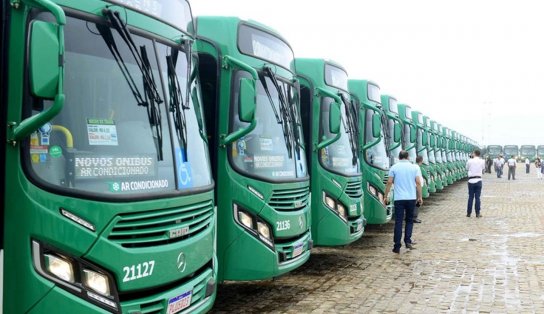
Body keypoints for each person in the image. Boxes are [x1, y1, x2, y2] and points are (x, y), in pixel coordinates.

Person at [384, 150, 423, 254]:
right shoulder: (414, 167)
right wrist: (420, 197)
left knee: (398, 222)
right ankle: (407, 241)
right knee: (409, 220)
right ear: (408, 157)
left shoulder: (394, 167)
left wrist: (386, 196)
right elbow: (418, 183)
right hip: (411, 198)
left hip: (399, 199)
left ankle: (397, 246)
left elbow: (389, 182)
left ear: (399, 157)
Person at [466, 149, 485, 218]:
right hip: (479, 180)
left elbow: (467, 168)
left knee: (470, 197)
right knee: (477, 197)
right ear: (479, 154)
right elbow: (483, 169)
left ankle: (468, 213)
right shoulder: (482, 161)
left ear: (474, 154)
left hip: (471, 180)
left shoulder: (469, 161)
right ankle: (477, 213)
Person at [413, 155, 424, 223]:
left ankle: (412, 216)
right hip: (417, 187)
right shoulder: (417, 167)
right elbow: (418, 180)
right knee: (417, 202)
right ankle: (414, 217)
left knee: (414, 202)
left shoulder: (414, 166)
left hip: (414, 187)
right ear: (421, 161)